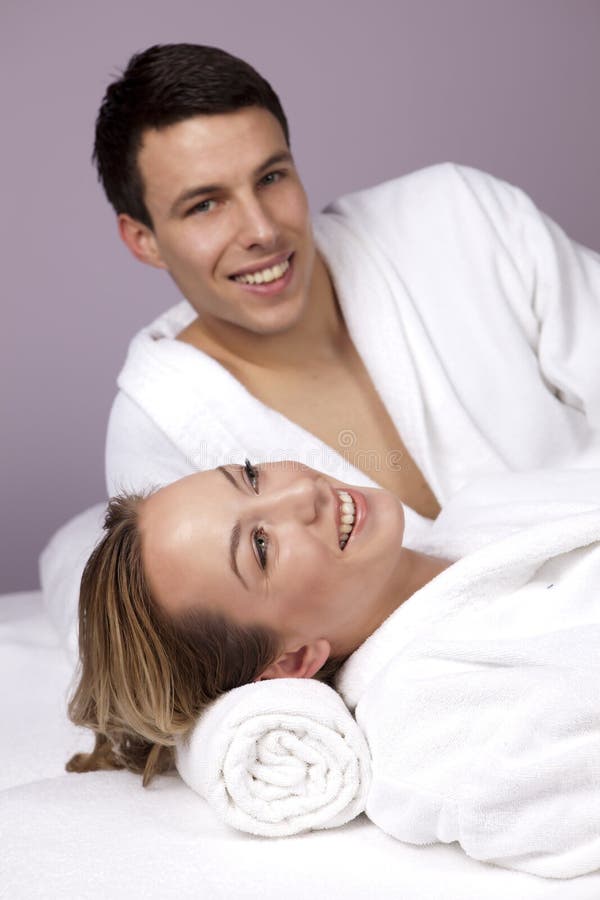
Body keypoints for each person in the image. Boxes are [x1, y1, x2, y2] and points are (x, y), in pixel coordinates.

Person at [96, 43, 600, 559]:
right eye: (205, 205)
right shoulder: (158, 432)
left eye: (271, 177)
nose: (263, 230)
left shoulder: (460, 217)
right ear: (144, 240)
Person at [66, 459, 451, 786]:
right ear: (290, 662)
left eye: (251, 477)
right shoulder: (437, 703)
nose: (302, 492)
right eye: (261, 547)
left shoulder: (481, 508)